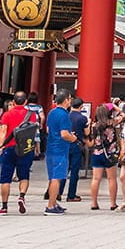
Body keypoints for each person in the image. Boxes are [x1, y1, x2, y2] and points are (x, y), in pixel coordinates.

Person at [0, 91, 38, 214]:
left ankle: (4, 206)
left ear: (13, 102)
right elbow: (33, 131)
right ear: (25, 102)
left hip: (9, 148)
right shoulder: (31, 115)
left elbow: (3, 131)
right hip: (25, 148)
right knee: (24, 176)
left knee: (5, 179)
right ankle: (21, 196)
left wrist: (1, 146)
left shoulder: (7, 115)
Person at [40, 87, 78, 215]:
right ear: (67, 100)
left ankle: (54, 203)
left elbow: (48, 130)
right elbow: (64, 134)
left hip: (50, 148)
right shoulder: (64, 115)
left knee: (52, 177)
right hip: (60, 149)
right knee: (57, 177)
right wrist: (73, 138)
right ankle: (51, 205)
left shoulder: (51, 113)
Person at [87, 100, 121, 210]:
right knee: (111, 179)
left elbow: (91, 140)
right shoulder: (112, 123)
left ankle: (93, 203)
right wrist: (113, 105)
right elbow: (122, 113)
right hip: (109, 154)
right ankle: (112, 203)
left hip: (97, 153)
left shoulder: (94, 125)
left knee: (96, 179)